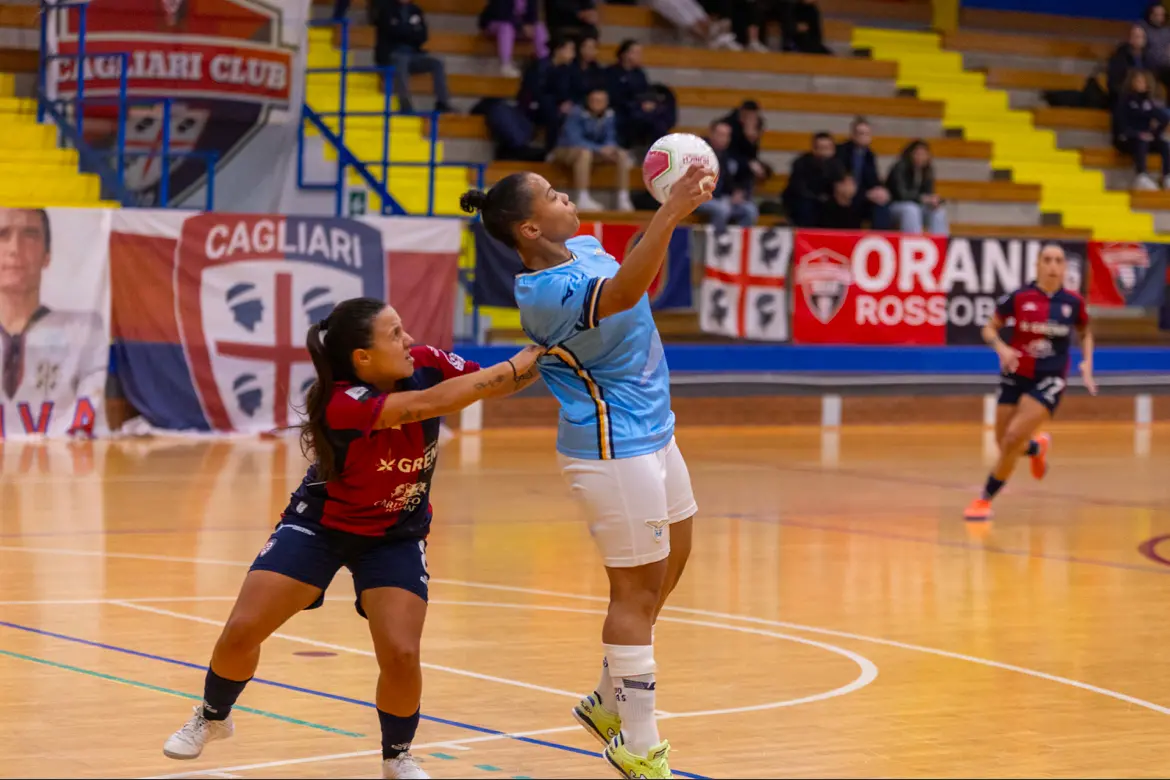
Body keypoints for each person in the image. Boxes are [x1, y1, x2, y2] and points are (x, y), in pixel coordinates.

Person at [160, 298, 544, 779]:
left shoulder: (426, 362)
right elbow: (430, 404)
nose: (409, 341)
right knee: (243, 629)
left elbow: (497, 383)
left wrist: (553, 348)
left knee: (401, 653)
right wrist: (540, 347)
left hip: (395, 533)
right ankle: (213, 717)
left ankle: (396, 755)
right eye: (395, 334)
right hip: (321, 526)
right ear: (362, 357)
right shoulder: (341, 402)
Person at [457, 162, 714, 779]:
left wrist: (671, 216)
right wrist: (669, 211)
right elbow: (620, 297)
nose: (566, 196)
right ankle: (639, 744)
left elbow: (633, 279)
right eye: (552, 195)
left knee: (672, 563)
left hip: (656, 430)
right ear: (528, 228)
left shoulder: (588, 247)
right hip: (611, 446)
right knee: (634, 593)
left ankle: (606, 699)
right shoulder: (541, 295)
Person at [963, 244, 1096, 522]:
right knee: (1002, 441)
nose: (1053, 266)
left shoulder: (1073, 302)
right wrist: (1002, 349)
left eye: (1058, 261)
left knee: (1013, 438)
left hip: (1050, 378)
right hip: (1015, 373)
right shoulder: (1019, 297)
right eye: (1047, 260)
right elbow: (989, 327)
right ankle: (1037, 448)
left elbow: (1085, 332)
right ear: (1037, 265)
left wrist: (1087, 362)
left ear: (1065, 267)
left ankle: (984, 499)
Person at [0, 207, 106, 438]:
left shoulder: (84, 331)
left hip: (56, 458)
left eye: (30, 235)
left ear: (47, 255)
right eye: (2, 235)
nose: (14, 249)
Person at [551, 87, 634, 212]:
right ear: (588, 101)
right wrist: (600, 149)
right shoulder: (576, 113)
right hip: (565, 150)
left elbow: (610, 137)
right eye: (594, 100)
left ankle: (623, 198)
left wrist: (610, 148)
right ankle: (582, 197)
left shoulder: (609, 115)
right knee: (584, 154)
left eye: (601, 101)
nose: (597, 104)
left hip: (593, 151)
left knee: (621, 154)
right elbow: (575, 140)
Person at [370, 0, 453, 114]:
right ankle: (404, 104)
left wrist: (403, 29)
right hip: (391, 55)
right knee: (401, 59)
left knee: (437, 61)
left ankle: (442, 103)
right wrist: (411, 30)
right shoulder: (386, 10)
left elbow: (423, 35)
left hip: (413, 54)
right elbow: (391, 32)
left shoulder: (416, 10)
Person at [518, 36, 578, 153]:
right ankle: (551, 150)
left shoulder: (568, 70)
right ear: (558, 50)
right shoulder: (539, 67)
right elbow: (534, 91)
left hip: (555, 105)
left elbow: (571, 91)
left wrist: (568, 102)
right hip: (534, 105)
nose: (573, 54)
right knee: (550, 107)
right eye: (570, 49)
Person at [1112, 69, 1170, 190]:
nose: (1141, 84)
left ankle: (1167, 176)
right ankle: (1141, 175)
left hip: (1145, 137)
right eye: (1138, 81)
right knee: (1142, 140)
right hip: (1127, 138)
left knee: (1164, 143)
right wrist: (1138, 134)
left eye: (1143, 81)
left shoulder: (1148, 102)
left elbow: (1162, 118)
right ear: (1131, 82)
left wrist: (1157, 132)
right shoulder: (1124, 101)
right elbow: (1121, 125)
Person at [697, 120, 758, 230]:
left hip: (720, 198)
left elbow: (727, 181)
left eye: (727, 136)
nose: (724, 139)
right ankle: (719, 239)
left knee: (750, 209)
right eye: (721, 135)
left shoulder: (724, 154)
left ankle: (740, 239)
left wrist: (735, 193)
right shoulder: (699, 152)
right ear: (711, 134)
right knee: (722, 209)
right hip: (699, 198)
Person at [834, 116, 892, 230]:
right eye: (860, 133)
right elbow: (839, 177)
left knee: (881, 204)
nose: (863, 137)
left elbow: (873, 180)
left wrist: (879, 190)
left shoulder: (869, 155)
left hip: (863, 196)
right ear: (852, 135)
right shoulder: (841, 151)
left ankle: (879, 237)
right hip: (845, 194)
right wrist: (864, 193)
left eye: (867, 134)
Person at [886, 139, 949, 234]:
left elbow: (928, 193)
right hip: (895, 205)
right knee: (911, 209)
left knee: (938, 212)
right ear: (910, 154)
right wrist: (922, 198)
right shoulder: (900, 167)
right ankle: (913, 241)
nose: (920, 157)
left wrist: (933, 201)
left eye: (923, 154)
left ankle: (940, 241)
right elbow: (902, 195)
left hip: (918, 206)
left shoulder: (927, 170)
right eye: (917, 154)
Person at [781, 131, 842, 227]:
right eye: (821, 148)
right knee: (806, 206)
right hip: (805, 201)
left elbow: (838, 186)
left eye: (828, 148)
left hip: (828, 201)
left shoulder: (838, 165)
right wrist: (818, 198)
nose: (825, 152)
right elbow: (798, 188)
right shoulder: (801, 163)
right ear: (814, 149)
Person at [478, 0, 549, 78]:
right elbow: (503, 15)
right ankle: (506, 65)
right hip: (495, 23)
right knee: (506, 27)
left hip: (518, 27)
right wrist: (521, 27)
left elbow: (533, 16)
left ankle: (544, 62)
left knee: (539, 27)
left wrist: (530, 26)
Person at [605, 40, 651, 147]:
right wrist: (634, 104)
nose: (640, 56)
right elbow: (613, 95)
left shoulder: (640, 74)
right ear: (625, 54)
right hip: (618, 109)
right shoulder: (611, 72)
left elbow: (646, 92)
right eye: (636, 53)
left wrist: (648, 102)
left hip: (638, 109)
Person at [1107, 25, 1150, 106]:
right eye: (1137, 37)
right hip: (1124, 98)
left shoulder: (1148, 59)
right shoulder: (1119, 57)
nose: (1140, 40)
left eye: (1142, 37)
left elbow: (1151, 82)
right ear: (1130, 39)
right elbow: (1114, 84)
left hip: (1145, 98)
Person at [1140, 2, 1170, 91]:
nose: (1160, 17)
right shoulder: (1143, 28)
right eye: (1157, 15)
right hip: (1149, 66)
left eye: (1162, 15)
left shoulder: (1167, 30)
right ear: (1150, 15)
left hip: (1166, 67)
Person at [572, 34, 607, 102]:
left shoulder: (598, 70)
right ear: (580, 48)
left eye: (594, 48)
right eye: (588, 47)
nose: (591, 51)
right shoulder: (571, 67)